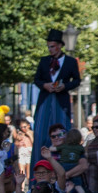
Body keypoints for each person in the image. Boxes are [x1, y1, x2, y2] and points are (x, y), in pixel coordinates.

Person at [31, 29, 81, 175]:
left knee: (62, 133)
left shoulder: (71, 62)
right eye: (48, 47)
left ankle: (62, 171)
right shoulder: (44, 61)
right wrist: (45, 85)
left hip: (61, 101)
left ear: (59, 46)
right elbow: (37, 79)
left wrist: (65, 86)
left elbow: (77, 80)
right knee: (40, 135)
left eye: (52, 46)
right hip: (45, 100)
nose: (50, 49)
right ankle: (38, 172)